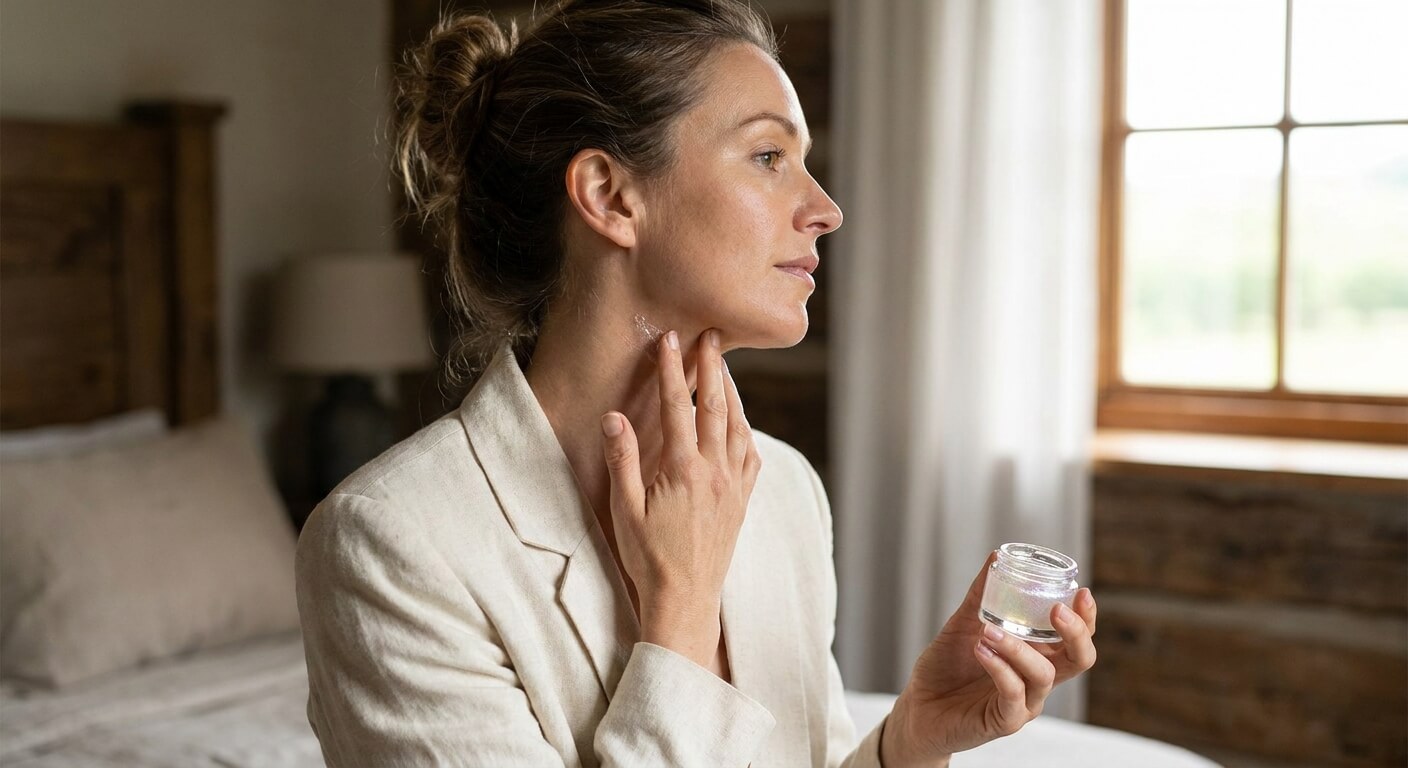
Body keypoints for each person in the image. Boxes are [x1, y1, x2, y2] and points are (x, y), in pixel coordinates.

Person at [294, 1, 1098, 766]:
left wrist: (910, 744)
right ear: (611, 196)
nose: (825, 209)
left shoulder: (782, 489)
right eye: (768, 156)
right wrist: (680, 612)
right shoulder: (391, 543)